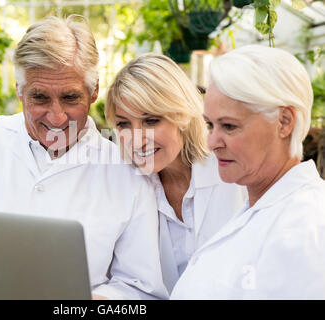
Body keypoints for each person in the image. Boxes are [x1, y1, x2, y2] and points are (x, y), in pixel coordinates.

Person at [0, 15, 168, 300]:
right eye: (39, 98)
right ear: (19, 91)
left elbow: (140, 289)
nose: (56, 116)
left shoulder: (127, 171)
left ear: (94, 90)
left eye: (71, 98)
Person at [171, 45, 325, 299]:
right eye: (210, 125)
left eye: (229, 126)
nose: (212, 143)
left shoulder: (306, 227)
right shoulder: (261, 205)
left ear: (284, 121)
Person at [104, 53, 247, 296]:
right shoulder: (125, 182)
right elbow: (134, 283)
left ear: (182, 116)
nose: (136, 140)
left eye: (150, 121)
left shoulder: (232, 171)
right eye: (123, 124)